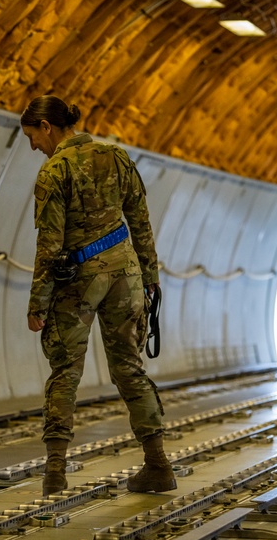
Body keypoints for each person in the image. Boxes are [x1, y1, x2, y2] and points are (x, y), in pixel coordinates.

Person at [21, 95, 176, 495]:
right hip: (126, 275)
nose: (33, 146)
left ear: (47, 127)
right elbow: (139, 219)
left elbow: (50, 244)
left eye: (32, 136)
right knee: (129, 366)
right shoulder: (117, 157)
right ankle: (158, 464)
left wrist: (37, 303)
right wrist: (150, 274)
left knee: (65, 370)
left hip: (79, 280)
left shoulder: (53, 172)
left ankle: (55, 472)